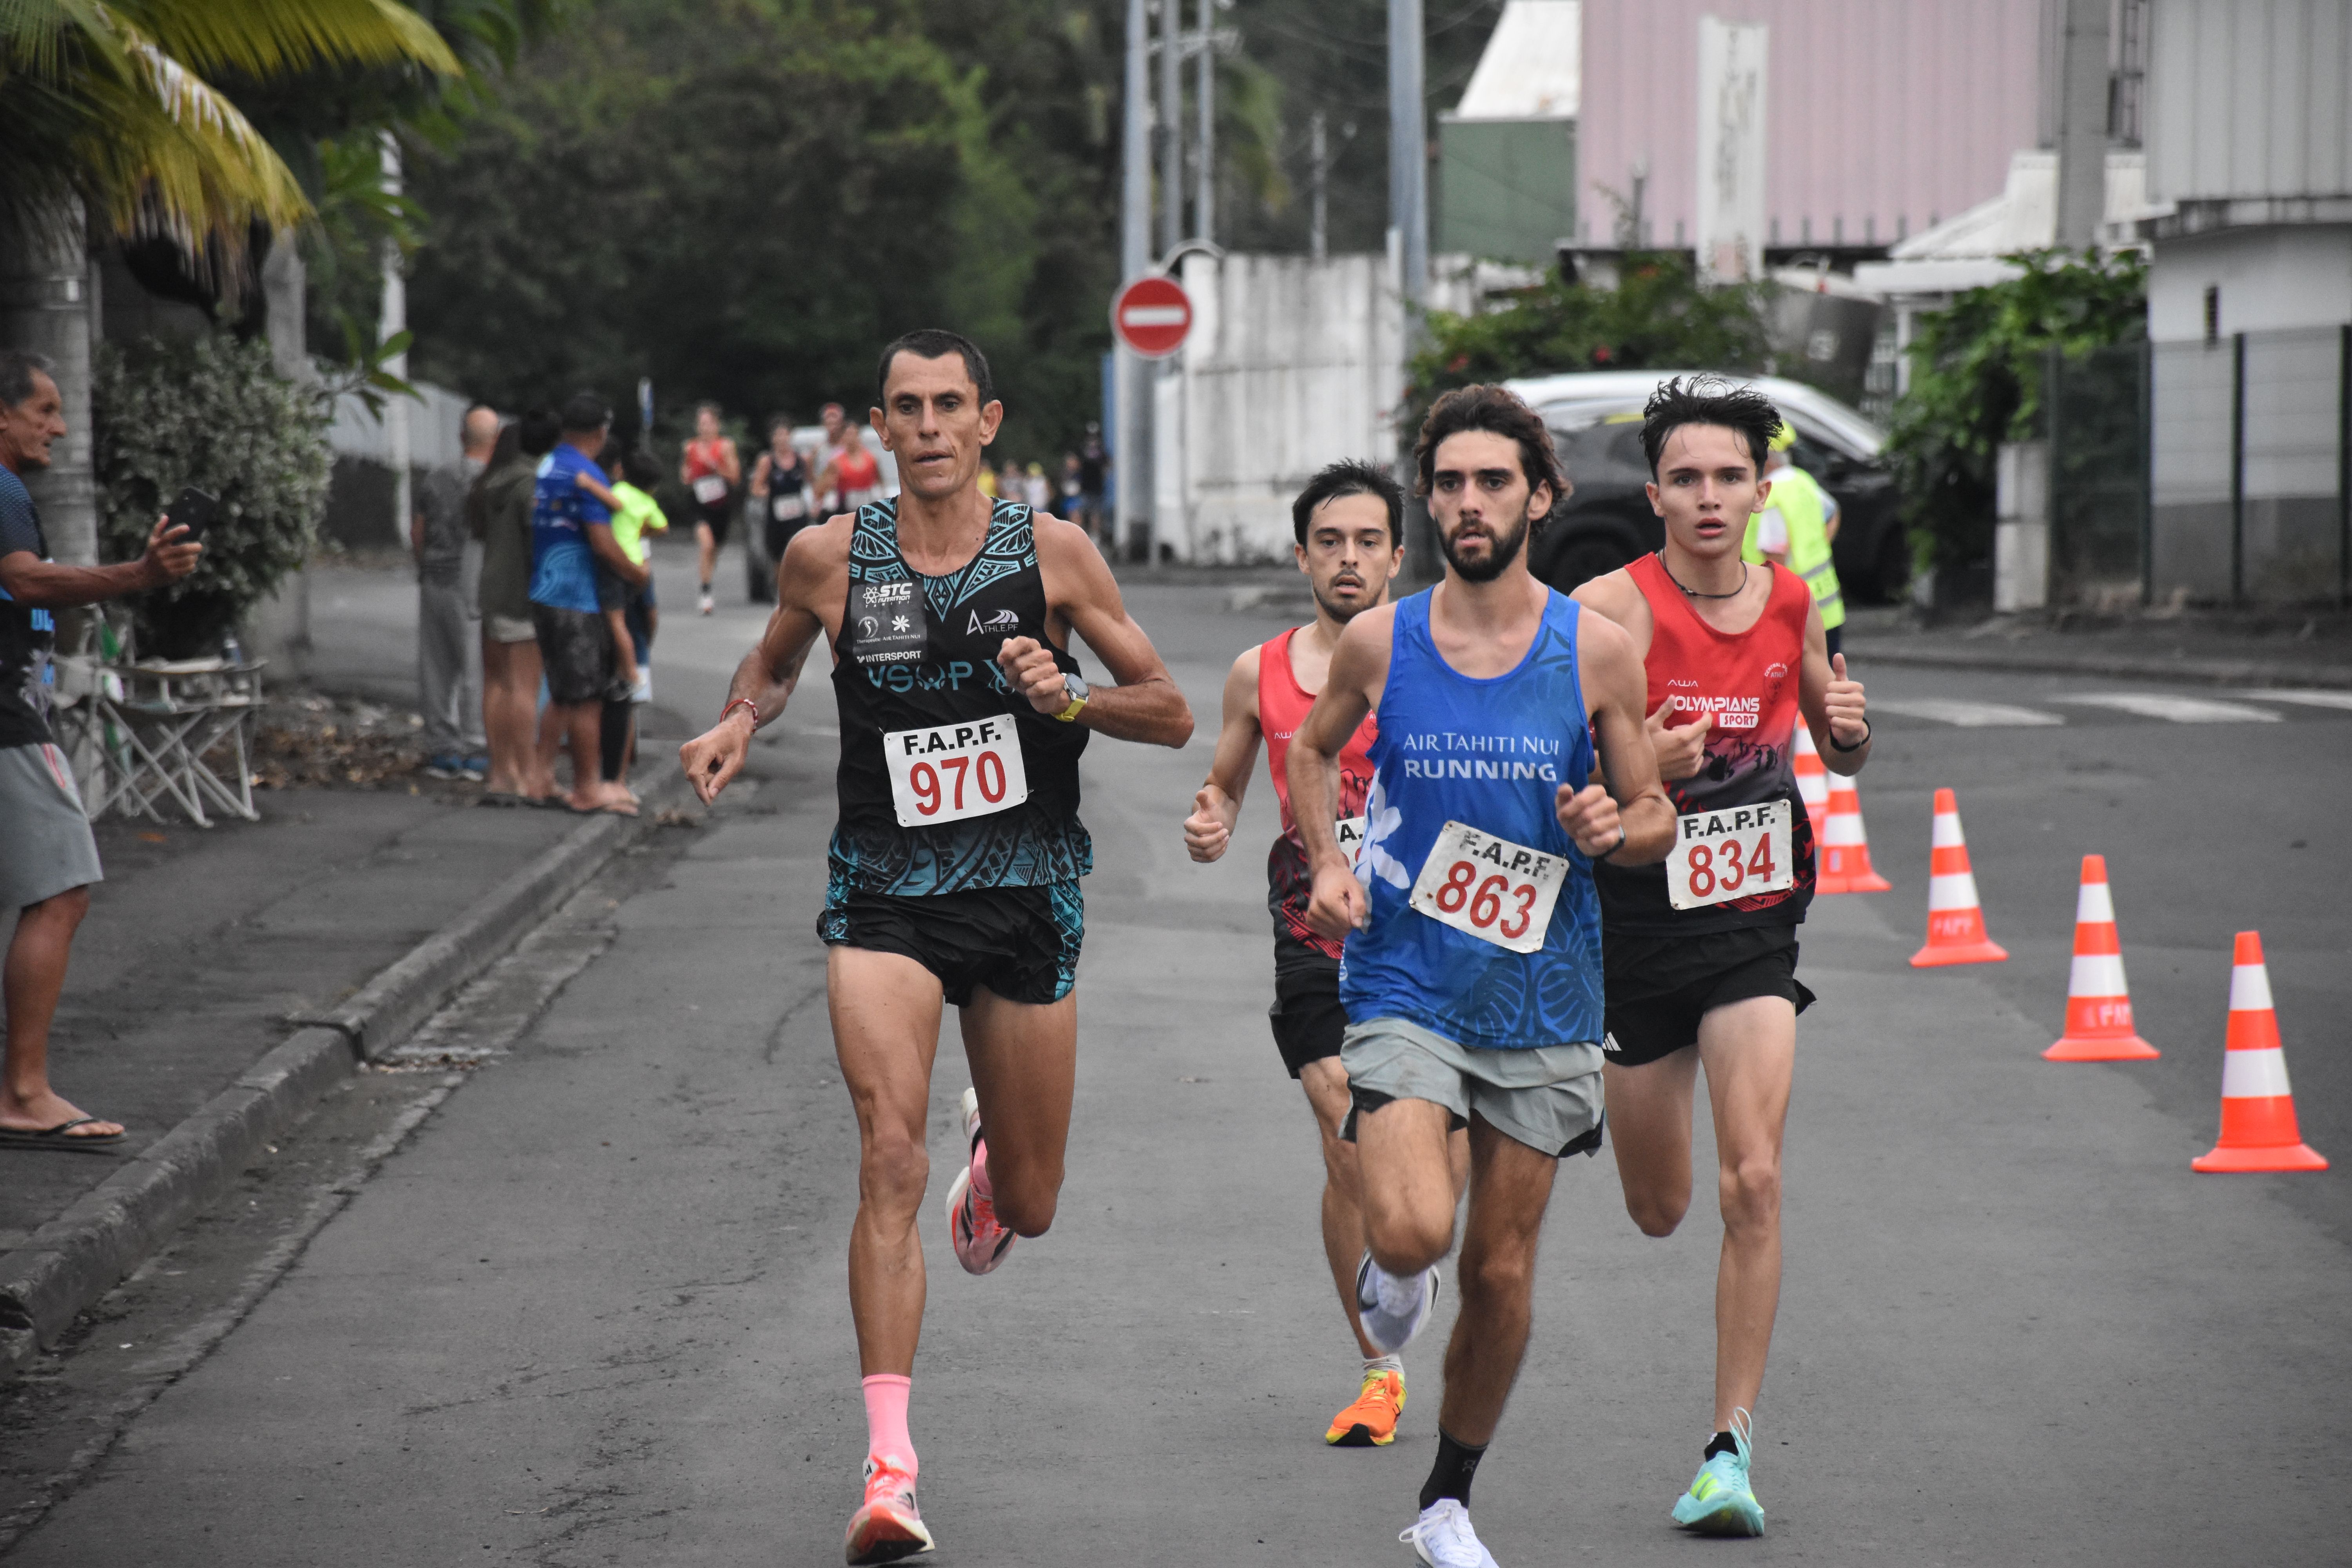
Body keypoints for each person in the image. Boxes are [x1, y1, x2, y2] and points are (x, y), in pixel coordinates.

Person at [677, 329, 1192, 1565]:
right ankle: (889, 1469)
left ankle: (991, 1173)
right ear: (880, 424)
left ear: (987, 419)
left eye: (947, 404)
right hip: (885, 889)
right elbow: (775, 658)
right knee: (884, 1155)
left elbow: (1168, 711)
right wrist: (739, 719)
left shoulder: (1052, 554)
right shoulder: (828, 556)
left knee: (1031, 1199)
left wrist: (1065, 695)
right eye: (904, 407)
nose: (926, 426)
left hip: (1024, 890)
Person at [1287, 384, 1673, 1568]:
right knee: (1411, 1230)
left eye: (1490, 481)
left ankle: (1447, 1499)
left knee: (1500, 1269)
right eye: (1447, 482)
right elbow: (1308, 750)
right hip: (1405, 975)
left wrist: (1616, 825)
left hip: (1547, 996)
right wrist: (1322, 860)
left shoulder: (1594, 651)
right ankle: (1386, 1278)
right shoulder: (1380, 640)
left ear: (1539, 497)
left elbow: (1653, 808)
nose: (1466, 502)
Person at [1572, 376, 1871, 1539]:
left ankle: (1727, 1447)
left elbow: (1837, 749)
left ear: (1762, 490)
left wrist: (1848, 732)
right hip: (1632, 928)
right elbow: (1553, 782)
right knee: (1660, 1206)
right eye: (1684, 478)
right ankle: (1642, 1136)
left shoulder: (1790, 600)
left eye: (1728, 477)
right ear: (1653, 492)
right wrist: (1642, 760)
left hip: (1752, 917)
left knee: (1754, 1179)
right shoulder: (1605, 609)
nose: (1707, 497)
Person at [1182, 459, 1470, 1450]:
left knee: (1434, 1154)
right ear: (1301, 553)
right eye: (1328, 542)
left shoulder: (1443, 655)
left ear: (1399, 555)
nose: (1347, 561)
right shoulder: (1256, 672)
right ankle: (1380, 1367)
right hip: (1314, 918)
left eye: (1366, 543)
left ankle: (1409, 1238)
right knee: (1343, 1117)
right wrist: (1212, 814)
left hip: (1438, 926)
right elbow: (1223, 777)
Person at [0, 348, 201, 1149]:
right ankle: (23, 1090)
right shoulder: (5, 491)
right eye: (44, 409)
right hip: (7, 721)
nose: (58, 425)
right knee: (63, 889)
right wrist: (138, 573)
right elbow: (23, 580)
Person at [530, 392, 648, 814]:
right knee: (586, 698)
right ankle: (586, 789)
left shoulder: (548, 465)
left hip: (542, 588)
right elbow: (603, 542)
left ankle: (540, 777)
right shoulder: (585, 474)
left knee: (561, 693)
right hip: (576, 596)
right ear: (601, 433)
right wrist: (636, 574)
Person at [471, 408, 561, 805]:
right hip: (523, 596)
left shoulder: (490, 482)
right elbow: (540, 544)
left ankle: (500, 772)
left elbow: (478, 531)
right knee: (525, 685)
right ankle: (527, 774)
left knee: (496, 682)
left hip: (491, 591)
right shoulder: (533, 485)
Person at [414, 403, 495, 780]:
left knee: (435, 666)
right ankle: (474, 747)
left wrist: (425, 567)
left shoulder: (435, 477)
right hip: (471, 583)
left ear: (462, 436)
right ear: (494, 441)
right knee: (473, 668)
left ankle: (441, 748)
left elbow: (419, 529)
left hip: (434, 578)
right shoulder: (492, 482)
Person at [1742, 423, 1846, 660]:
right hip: (1827, 608)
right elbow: (1833, 513)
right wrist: (1817, 548)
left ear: (1766, 458)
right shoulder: (1801, 481)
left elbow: (1775, 558)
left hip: (1795, 616)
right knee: (1827, 687)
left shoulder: (1771, 496)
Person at [680, 402, 740, 615]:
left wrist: (716, 467)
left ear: (717, 425)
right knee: (706, 545)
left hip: (721, 505)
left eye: (708, 423)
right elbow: (685, 476)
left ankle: (707, 580)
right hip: (699, 504)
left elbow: (735, 477)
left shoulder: (725, 447)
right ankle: (706, 593)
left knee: (715, 548)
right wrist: (688, 475)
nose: (704, 428)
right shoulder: (690, 447)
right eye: (701, 424)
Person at [747, 416, 812, 606]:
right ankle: (780, 592)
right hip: (776, 516)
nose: (782, 439)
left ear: (790, 436)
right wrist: (771, 493)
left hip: (798, 515)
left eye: (785, 435)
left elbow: (811, 483)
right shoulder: (767, 461)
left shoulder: (802, 460)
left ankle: (798, 593)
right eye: (778, 435)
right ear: (773, 438)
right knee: (779, 557)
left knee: (798, 552)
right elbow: (755, 488)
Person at [817, 400, 883, 518]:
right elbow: (821, 489)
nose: (851, 438)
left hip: (868, 510)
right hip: (845, 511)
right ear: (843, 437)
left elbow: (880, 482)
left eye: (854, 434)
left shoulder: (871, 458)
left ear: (859, 436)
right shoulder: (836, 461)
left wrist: (882, 500)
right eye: (848, 434)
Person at [1075, 425, 1109, 540]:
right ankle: (1081, 534)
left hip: (1097, 487)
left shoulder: (1102, 452)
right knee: (1082, 512)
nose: (1092, 440)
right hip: (1085, 486)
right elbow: (1077, 465)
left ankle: (1095, 536)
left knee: (1096, 513)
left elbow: (1107, 466)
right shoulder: (1082, 450)